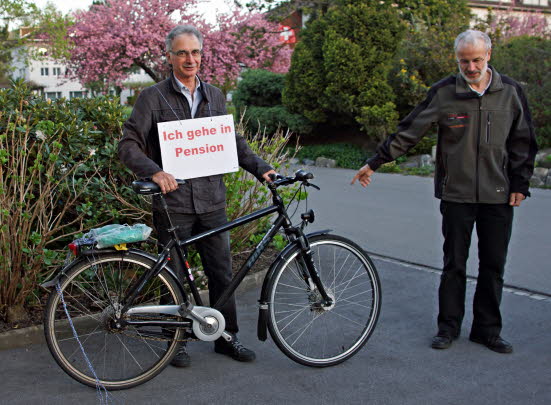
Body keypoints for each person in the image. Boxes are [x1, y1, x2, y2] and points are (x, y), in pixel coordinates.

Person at [351, 30, 537, 354]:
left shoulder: (511, 92)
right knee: (454, 264)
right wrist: (376, 162)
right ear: (457, 60)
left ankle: (487, 330)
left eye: (477, 60)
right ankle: (447, 327)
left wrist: (520, 184)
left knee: (494, 265)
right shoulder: (444, 93)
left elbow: (523, 142)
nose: (471, 67)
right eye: (464, 61)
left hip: (498, 194)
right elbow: (410, 130)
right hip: (456, 194)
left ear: (489, 55)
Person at [118, 25, 276, 366]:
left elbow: (232, 143)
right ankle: (175, 341)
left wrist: (263, 168)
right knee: (172, 274)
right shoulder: (152, 97)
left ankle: (225, 336)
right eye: (182, 53)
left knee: (222, 273)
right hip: (173, 202)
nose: (189, 59)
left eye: (195, 52)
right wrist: (154, 171)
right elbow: (128, 145)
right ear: (170, 57)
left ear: (202, 55)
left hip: (211, 200)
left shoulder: (216, 95)